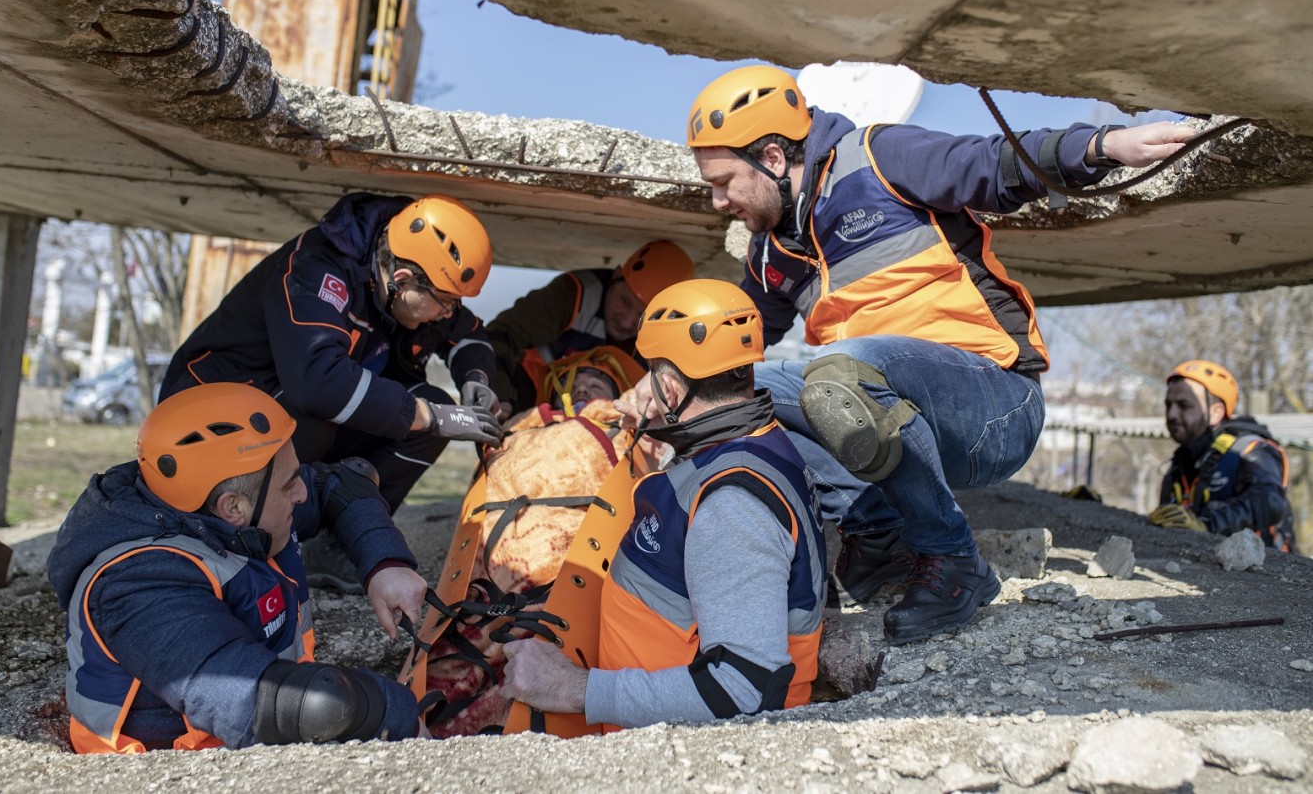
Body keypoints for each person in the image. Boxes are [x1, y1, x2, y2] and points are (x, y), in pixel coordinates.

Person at [680, 65, 1198, 644]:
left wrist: (1101, 145)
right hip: (885, 411)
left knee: (836, 374)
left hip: (993, 408)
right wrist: (660, 388)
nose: (718, 200)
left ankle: (954, 562)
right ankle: (879, 541)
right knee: (740, 397)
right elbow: (732, 346)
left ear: (773, 158)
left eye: (723, 181)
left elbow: (992, 163)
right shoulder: (769, 251)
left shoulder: (877, 158)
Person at [500, 279, 827, 730]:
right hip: (637, 713)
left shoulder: (732, 504)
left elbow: (741, 691)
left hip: (667, 749)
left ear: (670, 389)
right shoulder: (755, 443)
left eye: (652, 372)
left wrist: (573, 688)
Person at [46, 383, 430, 753]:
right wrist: (396, 713)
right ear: (233, 508)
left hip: (263, 716)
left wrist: (385, 562)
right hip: (165, 769)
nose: (302, 492)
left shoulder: (240, 504)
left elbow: (345, 482)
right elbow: (253, 701)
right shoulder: (138, 584)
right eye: (291, 483)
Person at [160, 193, 506, 590]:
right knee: (333, 418)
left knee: (427, 414)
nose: (447, 313)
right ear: (404, 280)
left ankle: (336, 542)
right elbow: (318, 383)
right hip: (204, 418)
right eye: (444, 302)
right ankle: (247, 542)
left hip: (287, 406)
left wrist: (476, 379)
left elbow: (467, 333)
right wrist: (431, 417)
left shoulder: (407, 280)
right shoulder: (314, 271)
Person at [486, 239, 695, 413]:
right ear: (615, 276)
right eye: (625, 302)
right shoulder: (572, 295)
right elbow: (502, 335)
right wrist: (501, 398)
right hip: (529, 400)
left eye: (643, 315)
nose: (626, 322)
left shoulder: (666, 338)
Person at [1150, 359, 1295, 551]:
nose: (1172, 414)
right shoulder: (1181, 463)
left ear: (1216, 412)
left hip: (1259, 572)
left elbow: (1270, 502)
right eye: (1168, 405)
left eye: (1184, 405)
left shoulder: (1251, 450)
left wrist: (1207, 525)